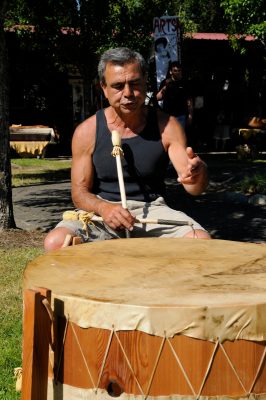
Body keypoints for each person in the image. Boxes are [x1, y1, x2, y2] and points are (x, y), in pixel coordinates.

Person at [44, 47, 210, 252]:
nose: (128, 93)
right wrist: (104, 208)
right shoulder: (87, 132)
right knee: (56, 242)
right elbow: (79, 193)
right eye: (118, 86)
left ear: (145, 82)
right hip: (101, 214)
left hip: (153, 211)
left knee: (201, 241)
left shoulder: (167, 126)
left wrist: (198, 174)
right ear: (103, 88)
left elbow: (193, 187)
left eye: (134, 83)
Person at [156, 61, 192, 130]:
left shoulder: (185, 83)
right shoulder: (165, 82)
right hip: (167, 115)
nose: (178, 72)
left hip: (181, 115)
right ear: (171, 72)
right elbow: (158, 98)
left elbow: (189, 100)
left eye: (179, 70)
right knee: (168, 136)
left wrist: (190, 115)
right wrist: (166, 86)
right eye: (175, 71)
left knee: (180, 137)